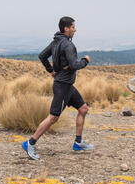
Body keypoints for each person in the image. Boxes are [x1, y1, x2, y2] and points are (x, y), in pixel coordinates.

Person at [22, 16, 94, 160]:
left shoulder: (56, 41)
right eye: (73, 27)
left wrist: (51, 70)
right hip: (63, 87)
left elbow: (42, 56)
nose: (75, 30)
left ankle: (78, 142)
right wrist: (85, 61)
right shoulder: (68, 45)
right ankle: (30, 143)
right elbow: (74, 65)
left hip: (67, 85)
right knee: (53, 117)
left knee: (83, 109)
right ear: (66, 28)